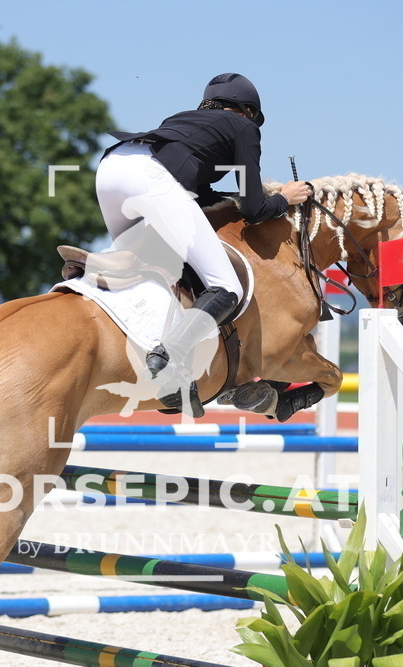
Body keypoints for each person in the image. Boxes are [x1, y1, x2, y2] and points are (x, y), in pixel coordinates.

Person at [95, 73, 312, 416]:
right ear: (247, 111)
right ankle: (167, 362)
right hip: (151, 179)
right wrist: (284, 198)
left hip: (111, 168)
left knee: (141, 270)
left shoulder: (184, 120)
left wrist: (246, 198)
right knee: (226, 287)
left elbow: (200, 194)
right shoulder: (244, 127)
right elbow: (253, 210)